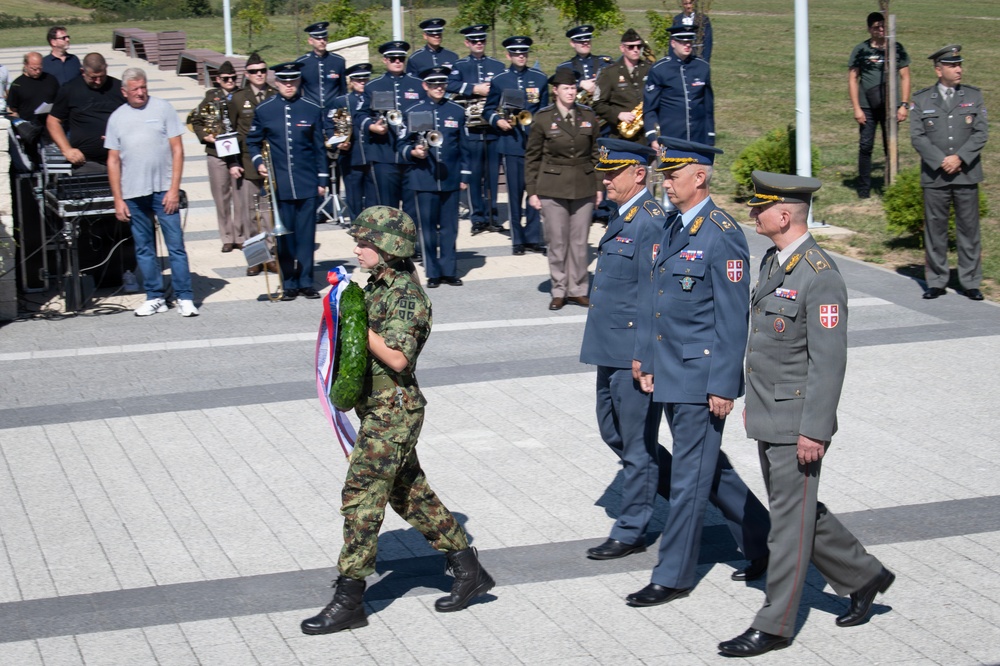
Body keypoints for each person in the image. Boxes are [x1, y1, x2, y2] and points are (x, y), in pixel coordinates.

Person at [718, 172, 895, 657]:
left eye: (759, 208)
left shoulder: (819, 275)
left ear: (783, 215)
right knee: (794, 513)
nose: (752, 214)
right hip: (771, 415)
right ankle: (864, 575)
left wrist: (814, 430)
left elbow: (829, 362)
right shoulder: (776, 262)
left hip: (797, 423)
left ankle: (774, 624)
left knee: (787, 526)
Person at [300, 206, 495, 635]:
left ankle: (349, 596)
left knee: (362, 493)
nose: (357, 248)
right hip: (378, 408)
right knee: (410, 495)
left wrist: (351, 316)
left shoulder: (407, 296)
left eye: (365, 242)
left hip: (395, 413)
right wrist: (343, 303)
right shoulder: (374, 286)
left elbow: (398, 357)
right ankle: (469, 569)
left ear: (390, 247)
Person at [581, 139, 770, 578]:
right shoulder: (666, 224)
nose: (605, 180)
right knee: (686, 463)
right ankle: (761, 532)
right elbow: (653, 296)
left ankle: (641, 535)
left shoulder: (699, 229)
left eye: (674, 174)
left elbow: (729, 316)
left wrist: (723, 383)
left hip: (678, 364)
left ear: (699, 177)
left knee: (669, 460)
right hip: (643, 355)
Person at [105, 67, 197, 318]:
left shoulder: (163, 108)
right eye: (135, 89)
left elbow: (177, 150)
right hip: (134, 194)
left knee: (175, 246)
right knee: (144, 248)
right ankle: (155, 296)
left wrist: (174, 189)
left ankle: (184, 296)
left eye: (144, 87)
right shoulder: (116, 118)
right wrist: (118, 198)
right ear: (124, 92)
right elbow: (113, 160)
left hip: (163, 192)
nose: (141, 93)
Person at [910, 45, 988, 302]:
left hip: (966, 173)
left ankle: (970, 281)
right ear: (938, 69)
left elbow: (980, 133)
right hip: (935, 175)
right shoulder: (922, 100)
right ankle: (936, 281)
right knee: (935, 230)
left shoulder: (973, 96)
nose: (959, 69)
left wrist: (960, 158)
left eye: (960, 64)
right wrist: (941, 160)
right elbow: (918, 137)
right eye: (953, 65)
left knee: (969, 230)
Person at [246, 62, 329, 301]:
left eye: (293, 81)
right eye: (284, 81)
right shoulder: (265, 109)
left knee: (306, 234)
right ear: (276, 82)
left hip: (307, 182)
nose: (289, 85)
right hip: (279, 183)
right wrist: (258, 162)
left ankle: (306, 281)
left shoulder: (312, 108)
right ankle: (289, 282)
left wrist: (322, 179)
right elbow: (252, 141)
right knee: (284, 237)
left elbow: (318, 148)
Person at [525, 68, 600, 310]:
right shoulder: (543, 118)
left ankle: (578, 289)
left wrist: (599, 186)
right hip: (552, 186)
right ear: (555, 90)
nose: (570, 92)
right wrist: (533, 191)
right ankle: (559, 289)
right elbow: (532, 157)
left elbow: (598, 154)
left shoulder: (588, 115)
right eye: (566, 88)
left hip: (584, 184)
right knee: (557, 242)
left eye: (573, 88)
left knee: (579, 242)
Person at [400, 66, 467, 287]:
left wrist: (465, 175)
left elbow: (464, 147)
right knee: (427, 228)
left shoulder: (456, 110)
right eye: (434, 84)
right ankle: (433, 272)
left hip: (450, 177)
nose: (439, 88)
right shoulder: (413, 110)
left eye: (442, 84)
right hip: (424, 177)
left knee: (450, 227)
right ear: (425, 86)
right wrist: (413, 152)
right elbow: (401, 143)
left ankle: (449, 270)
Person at [484, 36, 549, 255]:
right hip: (511, 143)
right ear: (508, 56)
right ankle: (517, 239)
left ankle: (533, 237)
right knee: (514, 194)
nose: (521, 56)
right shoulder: (500, 79)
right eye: (516, 53)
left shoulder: (539, 78)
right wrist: (498, 121)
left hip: (534, 143)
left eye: (524, 53)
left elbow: (545, 109)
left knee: (535, 190)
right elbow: (488, 109)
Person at [447, 24, 506, 234]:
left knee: (491, 175)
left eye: (481, 40)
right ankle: (477, 217)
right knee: (474, 177)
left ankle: (493, 216)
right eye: (474, 41)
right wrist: (474, 89)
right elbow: (449, 85)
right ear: (467, 43)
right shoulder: (460, 65)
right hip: (471, 129)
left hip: (492, 129)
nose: (478, 44)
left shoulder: (498, 65)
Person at [848, 11, 911, 199]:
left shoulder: (896, 49)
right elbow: (852, 79)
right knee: (865, 146)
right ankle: (864, 188)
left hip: (890, 107)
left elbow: (905, 77)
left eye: (883, 26)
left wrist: (904, 105)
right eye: (876, 27)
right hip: (867, 106)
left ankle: (892, 186)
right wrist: (857, 108)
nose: (881, 30)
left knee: (890, 146)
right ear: (869, 29)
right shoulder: (861, 50)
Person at [226, 53, 277, 276]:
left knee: (268, 214)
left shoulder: (275, 95)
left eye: (263, 71)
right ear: (247, 74)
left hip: (270, 162)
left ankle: (272, 256)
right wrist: (232, 162)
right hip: (247, 162)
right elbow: (229, 132)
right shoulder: (238, 98)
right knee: (249, 215)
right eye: (254, 71)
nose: (259, 75)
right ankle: (255, 258)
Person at [363, 41, 425, 223]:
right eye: (393, 58)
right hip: (384, 154)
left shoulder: (418, 85)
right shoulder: (373, 86)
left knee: (412, 206)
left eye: (401, 58)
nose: (397, 61)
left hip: (411, 156)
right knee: (387, 208)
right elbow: (360, 115)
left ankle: (409, 247)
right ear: (385, 60)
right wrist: (372, 126)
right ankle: (389, 249)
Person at [190, 61, 243, 253]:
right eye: (226, 79)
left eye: (233, 78)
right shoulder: (211, 97)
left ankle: (240, 236)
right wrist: (205, 136)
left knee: (239, 197)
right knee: (221, 196)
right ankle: (227, 237)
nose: (230, 82)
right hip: (217, 152)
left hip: (238, 153)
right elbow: (196, 120)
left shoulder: (241, 95)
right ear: (218, 80)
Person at [47, 53, 125, 174]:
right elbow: (53, 121)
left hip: (119, 159)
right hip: (86, 163)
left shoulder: (120, 88)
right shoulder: (70, 89)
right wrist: (67, 150)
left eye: (102, 76)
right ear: (83, 71)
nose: (98, 81)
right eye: (93, 77)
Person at [644, 26, 714, 149]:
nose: (687, 45)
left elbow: (708, 106)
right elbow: (650, 108)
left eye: (689, 41)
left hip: (698, 137)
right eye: (682, 42)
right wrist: (652, 137)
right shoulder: (660, 69)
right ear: (673, 43)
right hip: (670, 137)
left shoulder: (702, 67)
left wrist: (710, 136)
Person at [331, 63, 378, 223]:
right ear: (351, 82)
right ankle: (357, 225)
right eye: (358, 80)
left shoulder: (375, 99)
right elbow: (335, 127)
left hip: (372, 153)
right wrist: (339, 143)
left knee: (373, 196)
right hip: (351, 155)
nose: (362, 83)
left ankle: (373, 227)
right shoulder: (342, 101)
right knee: (354, 195)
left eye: (365, 80)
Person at [593, 29, 652, 144]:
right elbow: (598, 104)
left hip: (646, 136)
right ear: (622, 48)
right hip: (620, 137)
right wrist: (618, 114)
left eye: (639, 46)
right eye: (631, 47)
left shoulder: (649, 70)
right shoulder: (609, 72)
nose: (636, 50)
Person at [296, 21, 346, 113]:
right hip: (310, 110)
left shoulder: (338, 61)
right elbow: (298, 91)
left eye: (324, 38)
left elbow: (343, 89)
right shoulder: (302, 63)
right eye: (318, 39)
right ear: (310, 41)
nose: (322, 41)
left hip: (334, 110)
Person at [556, 25, 612, 101]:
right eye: (581, 41)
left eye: (588, 40)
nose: (585, 43)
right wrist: (580, 84)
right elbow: (560, 89)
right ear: (572, 43)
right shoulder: (565, 67)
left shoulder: (604, 62)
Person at [6, 52, 60, 124]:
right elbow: (12, 110)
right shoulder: (17, 84)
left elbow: (60, 100)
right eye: (34, 69)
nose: (37, 72)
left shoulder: (51, 79)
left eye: (40, 68)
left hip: (49, 125)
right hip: (28, 128)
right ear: (26, 65)